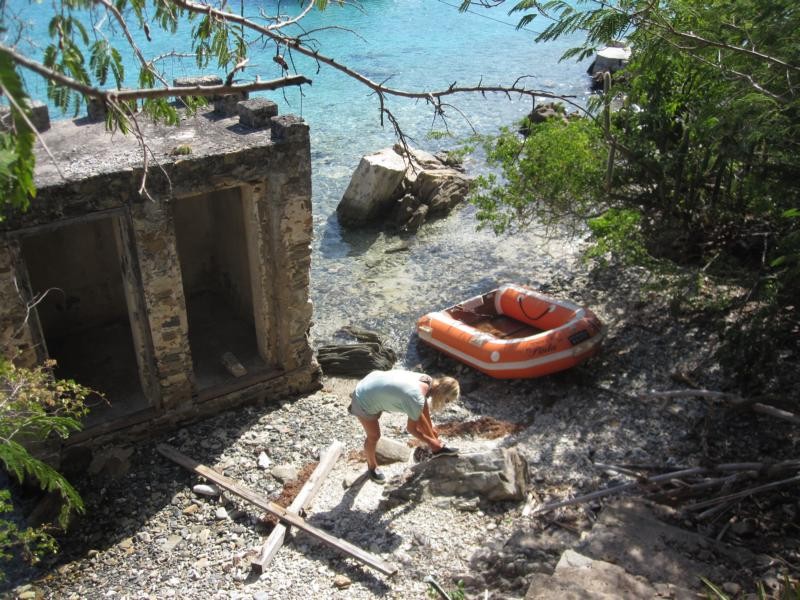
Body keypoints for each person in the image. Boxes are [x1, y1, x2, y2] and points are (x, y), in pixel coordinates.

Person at [349, 369, 460, 483]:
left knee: (428, 430)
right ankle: (372, 467)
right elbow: (412, 429)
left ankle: (437, 449)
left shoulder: (427, 380)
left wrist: (431, 432)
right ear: (442, 394)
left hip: (372, 382)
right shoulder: (416, 398)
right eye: (447, 401)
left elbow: (422, 407)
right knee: (374, 436)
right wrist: (432, 443)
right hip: (363, 399)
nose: (445, 404)